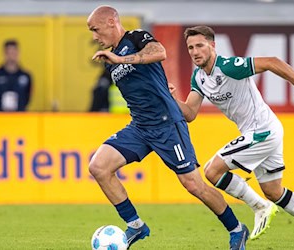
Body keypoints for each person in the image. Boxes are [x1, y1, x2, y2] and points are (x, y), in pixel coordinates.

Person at [86, 6, 249, 250]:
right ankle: (135, 225)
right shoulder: (110, 60)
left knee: (194, 185)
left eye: (95, 29)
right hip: (140, 126)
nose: (94, 37)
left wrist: (122, 59)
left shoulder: (136, 38)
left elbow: (159, 51)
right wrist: (117, 60)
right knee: (98, 166)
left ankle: (237, 229)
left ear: (111, 22)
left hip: (167, 124)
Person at [169, 25, 294, 246]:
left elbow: (272, 62)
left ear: (212, 45)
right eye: (190, 47)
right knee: (273, 191)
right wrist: (170, 97)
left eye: (200, 45)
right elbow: (190, 113)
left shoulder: (229, 66)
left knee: (212, 171)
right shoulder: (199, 77)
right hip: (263, 131)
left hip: (262, 131)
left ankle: (259, 207)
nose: (194, 51)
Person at [0, 39, 32, 111]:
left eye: (14, 52)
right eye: (9, 53)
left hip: (19, 118)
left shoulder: (26, 76)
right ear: (4, 53)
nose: (11, 56)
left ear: (18, 53)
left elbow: (28, 97)